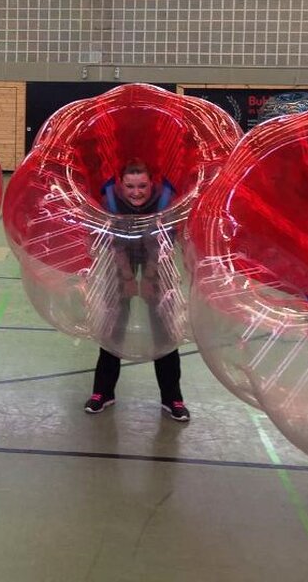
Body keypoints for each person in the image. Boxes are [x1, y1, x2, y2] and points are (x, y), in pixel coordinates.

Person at [84, 159, 189, 422]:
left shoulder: (165, 197)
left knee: (164, 325)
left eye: (142, 185)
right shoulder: (110, 197)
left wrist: (151, 277)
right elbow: (114, 243)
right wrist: (129, 278)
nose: (136, 192)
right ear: (121, 184)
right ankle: (103, 392)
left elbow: (163, 243)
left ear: (151, 183)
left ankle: (172, 397)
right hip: (123, 254)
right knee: (113, 322)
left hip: (155, 253)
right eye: (130, 186)